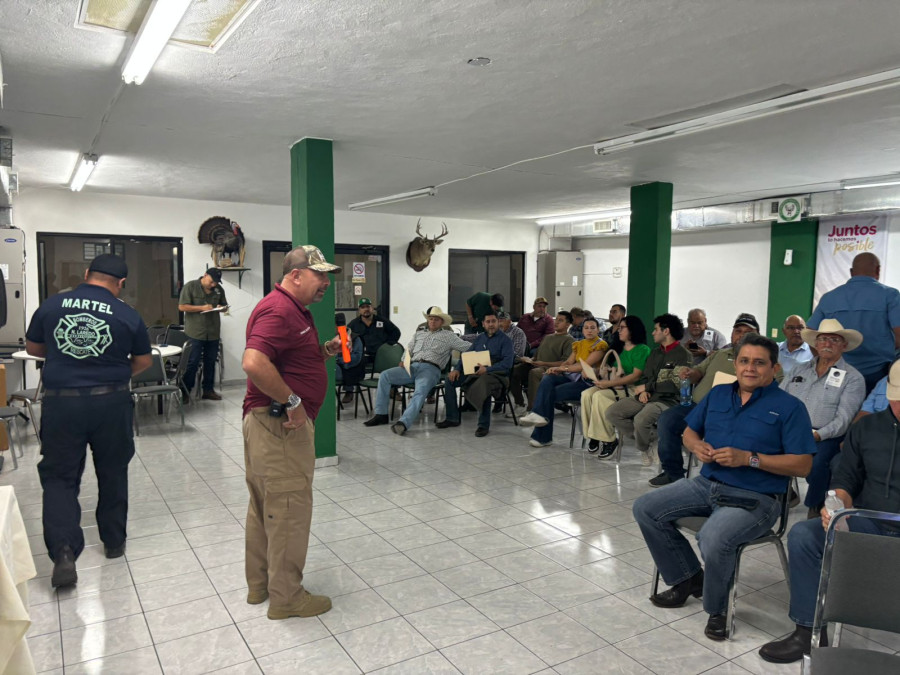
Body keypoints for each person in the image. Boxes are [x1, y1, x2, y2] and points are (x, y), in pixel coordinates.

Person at [633, 334, 816, 642]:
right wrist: (697, 447)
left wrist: (750, 459)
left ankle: (717, 609)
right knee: (646, 508)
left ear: (774, 368)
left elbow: (803, 465)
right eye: (744, 361)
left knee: (715, 538)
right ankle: (688, 578)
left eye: (759, 363)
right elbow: (689, 432)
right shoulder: (719, 395)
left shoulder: (790, 407)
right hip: (707, 484)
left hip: (756, 498)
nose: (750, 369)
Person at [758, 359, 900, 664]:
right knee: (805, 536)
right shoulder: (868, 428)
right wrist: (837, 502)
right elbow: (847, 474)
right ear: (889, 395)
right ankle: (808, 632)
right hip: (870, 525)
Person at [25, 254, 152, 588]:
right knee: (112, 470)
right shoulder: (127, 313)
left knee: (59, 477)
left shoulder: (52, 306)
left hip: (62, 402)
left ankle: (64, 552)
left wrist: (65, 356)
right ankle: (113, 542)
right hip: (111, 401)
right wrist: (116, 372)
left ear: (86, 274)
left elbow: (34, 347)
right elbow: (143, 359)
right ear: (120, 283)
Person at [241, 245, 343, 620]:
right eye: (320, 276)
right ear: (296, 274)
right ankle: (287, 598)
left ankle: (261, 586)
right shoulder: (279, 309)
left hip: (268, 424)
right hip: (279, 425)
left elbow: (289, 360)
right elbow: (253, 362)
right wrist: (294, 402)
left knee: (266, 506)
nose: (326, 284)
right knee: (289, 510)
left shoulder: (291, 309)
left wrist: (323, 352)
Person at [649, 313, 764, 487]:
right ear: (732, 334)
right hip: (697, 406)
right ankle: (673, 473)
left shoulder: (762, 360)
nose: (741, 335)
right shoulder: (719, 354)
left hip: (732, 412)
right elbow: (698, 372)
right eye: (738, 331)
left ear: (758, 336)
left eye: (748, 332)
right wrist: (690, 373)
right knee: (667, 420)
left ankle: (722, 480)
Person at [781, 319, 866, 517]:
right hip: (790, 430)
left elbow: (844, 419)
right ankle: (774, 494)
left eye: (834, 340)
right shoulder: (798, 370)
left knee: (819, 463)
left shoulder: (853, 378)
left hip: (825, 435)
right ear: (816, 344)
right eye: (823, 339)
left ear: (844, 345)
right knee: (757, 444)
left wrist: (817, 435)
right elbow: (779, 400)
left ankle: (816, 505)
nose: (827, 344)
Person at [363, 306, 472, 435]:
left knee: (420, 391)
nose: (432, 322)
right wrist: (404, 359)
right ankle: (381, 414)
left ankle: (404, 422)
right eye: (430, 319)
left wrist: (485, 344)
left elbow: (468, 348)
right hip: (412, 366)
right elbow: (408, 349)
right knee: (385, 375)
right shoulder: (419, 334)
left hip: (430, 369)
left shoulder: (448, 336)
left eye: (436, 319)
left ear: (441, 322)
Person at [606, 313, 692, 465]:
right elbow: (646, 376)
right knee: (613, 413)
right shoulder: (655, 353)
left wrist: (647, 387)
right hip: (648, 396)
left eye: (656, 329)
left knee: (641, 419)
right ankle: (651, 441)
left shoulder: (683, 355)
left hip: (669, 400)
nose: (653, 332)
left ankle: (643, 446)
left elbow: (675, 384)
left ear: (666, 331)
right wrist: (644, 391)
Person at [808, 252, 900, 392]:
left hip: (838, 372)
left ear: (851, 272)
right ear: (878, 270)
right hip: (878, 373)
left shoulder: (829, 298)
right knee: (873, 411)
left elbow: (810, 334)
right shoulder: (890, 295)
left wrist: (825, 360)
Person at [518, 317, 608, 447]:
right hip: (572, 378)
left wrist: (561, 368)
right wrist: (558, 369)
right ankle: (538, 417)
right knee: (548, 378)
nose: (589, 330)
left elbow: (583, 366)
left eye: (592, 328)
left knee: (550, 393)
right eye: (586, 328)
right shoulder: (579, 344)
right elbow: (569, 362)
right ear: (582, 330)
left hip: (587, 384)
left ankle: (542, 435)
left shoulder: (600, 345)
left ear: (598, 330)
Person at [581, 315, 650, 458]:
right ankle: (593, 435)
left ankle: (609, 440)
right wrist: (593, 372)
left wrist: (609, 384)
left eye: (622, 328)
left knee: (600, 396)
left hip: (631, 389)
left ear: (633, 330)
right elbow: (608, 369)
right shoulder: (617, 347)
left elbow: (635, 376)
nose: (619, 331)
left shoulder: (642, 349)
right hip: (613, 385)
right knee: (586, 394)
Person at [437, 312, 514, 437]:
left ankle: (483, 425)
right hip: (476, 371)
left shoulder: (506, 340)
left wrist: (488, 370)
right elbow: (466, 355)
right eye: (488, 322)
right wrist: (457, 369)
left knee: (483, 385)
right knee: (449, 380)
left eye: (493, 321)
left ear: (497, 322)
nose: (491, 324)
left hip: (497, 374)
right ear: (483, 324)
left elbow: (508, 363)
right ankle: (452, 418)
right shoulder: (480, 338)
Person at [508, 311, 574, 416]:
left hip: (551, 369)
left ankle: (533, 410)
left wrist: (543, 363)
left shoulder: (569, 340)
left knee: (535, 373)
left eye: (560, 320)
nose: (556, 322)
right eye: (556, 319)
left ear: (568, 324)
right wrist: (529, 359)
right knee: (513, 371)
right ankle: (519, 404)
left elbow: (564, 363)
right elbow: (537, 355)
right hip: (536, 364)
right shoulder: (548, 337)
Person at [178, 268, 228, 400]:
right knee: (193, 362)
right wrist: (201, 308)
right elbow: (182, 306)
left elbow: (225, 306)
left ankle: (208, 390)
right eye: (211, 282)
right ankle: (185, 390)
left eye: (216, 283)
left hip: (213, 332)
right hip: (195, 332)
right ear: (205, 275)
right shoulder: (191, 287)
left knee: (210, 362)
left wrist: (222, 308)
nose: (213, 285)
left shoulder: (218, 290)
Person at [345, 297, 401, 403]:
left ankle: (394, 390)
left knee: (393, 363)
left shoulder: (382, 321)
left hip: (381, 355)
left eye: (368, 306)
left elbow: (396, 332)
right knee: (350, 362)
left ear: (372, 308)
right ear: (359, 310)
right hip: (364, 355)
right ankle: (349, 391)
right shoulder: (354, 324)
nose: (366, 309)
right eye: (363, 307)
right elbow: (346, 337)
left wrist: (389, 344)